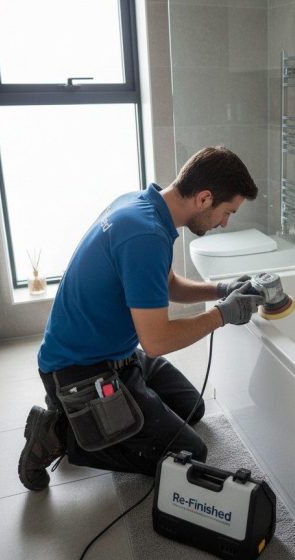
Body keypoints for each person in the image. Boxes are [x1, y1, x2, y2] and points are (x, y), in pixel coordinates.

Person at [18, 146, 264, 491]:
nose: (225, 222)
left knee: (192, 408)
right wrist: (223, 315)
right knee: (190, 453)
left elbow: (169, 285)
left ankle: (121, 412)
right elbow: (158, 340)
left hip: (119, 356)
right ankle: (59, 432)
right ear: (205, 198)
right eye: (227, 212)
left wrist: (221, 289)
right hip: (78, 371)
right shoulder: (145, 235)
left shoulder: (144, 207)